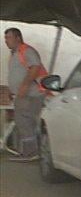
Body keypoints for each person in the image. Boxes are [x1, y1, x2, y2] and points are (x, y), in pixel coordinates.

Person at [3, 27, 49, 162]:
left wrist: (25, 85)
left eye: (9, 38)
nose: (6, 41)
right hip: (21, 94)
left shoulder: (26, 51)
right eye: (5, 38)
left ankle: (31, 152)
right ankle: (27, 151)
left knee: (25, 121)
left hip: (31, 94)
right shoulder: (14, 53)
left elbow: (35, 67)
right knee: (22, 122)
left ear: (18, 38)